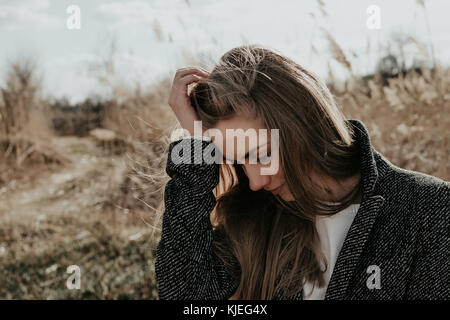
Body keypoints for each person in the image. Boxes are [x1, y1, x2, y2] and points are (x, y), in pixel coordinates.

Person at [154, 44, 450, 300]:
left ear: (304, 124)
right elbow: (185, 294)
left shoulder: (426, 208)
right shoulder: (253, 217)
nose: (255, 181)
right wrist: (193, 144)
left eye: (260, 154)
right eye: (241, 163)